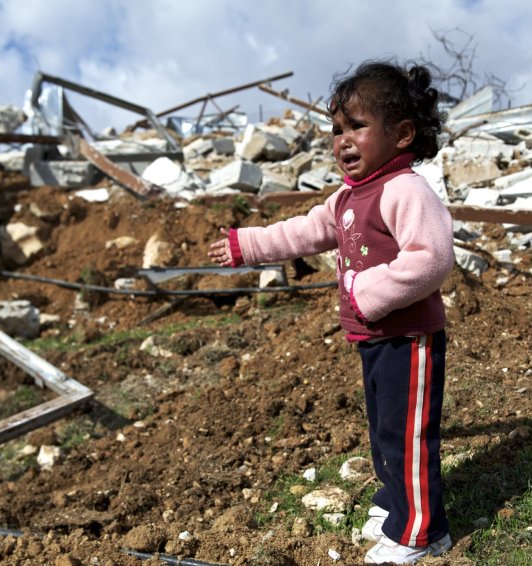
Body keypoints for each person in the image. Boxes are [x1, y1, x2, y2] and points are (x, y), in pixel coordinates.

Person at [208, 58, 455, 565]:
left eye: (357, 127)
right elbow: (301, 231)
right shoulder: (347, 198)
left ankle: (422, 533)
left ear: (402, 134)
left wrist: (368, 292)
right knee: (383, 430)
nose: (341, 140)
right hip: (374, 338)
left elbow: (432, 258)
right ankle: (395, 504)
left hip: (410, 336)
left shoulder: (406, 190)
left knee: (406, 435)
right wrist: (246, 245)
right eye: (336, 129)